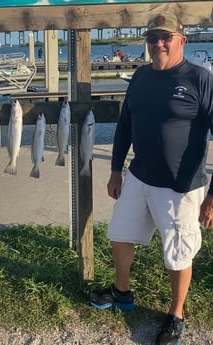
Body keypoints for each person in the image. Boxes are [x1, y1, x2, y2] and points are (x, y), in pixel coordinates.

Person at [89, 13, 213, 345]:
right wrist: (116, 170)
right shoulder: (141, 78)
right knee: (119, 235)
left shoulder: (200, 79)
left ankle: (176, 315)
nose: (158, 43)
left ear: (181, 40)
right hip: (139, 176)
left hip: (181, 186)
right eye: (152, 37)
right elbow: (125, 126)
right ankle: (122, 293)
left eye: (166, 37)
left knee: (178, 252)